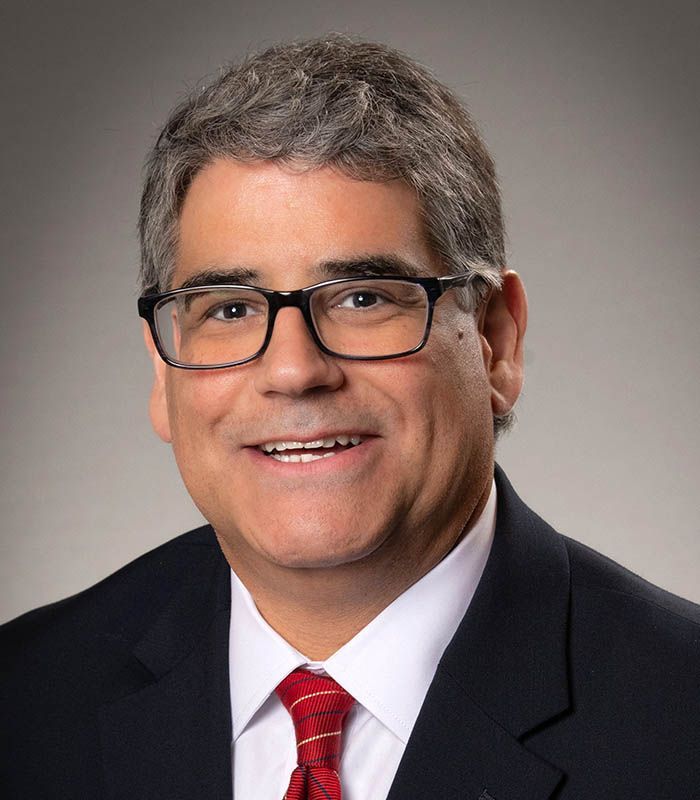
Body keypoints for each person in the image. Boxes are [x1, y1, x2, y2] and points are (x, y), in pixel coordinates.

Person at [1, 34, 698, 800]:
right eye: (230, 309)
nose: (294, 371)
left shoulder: (678, 717)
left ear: (496, 341)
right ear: (162, 371)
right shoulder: (26, 699)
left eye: (363, 297)